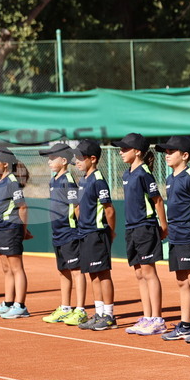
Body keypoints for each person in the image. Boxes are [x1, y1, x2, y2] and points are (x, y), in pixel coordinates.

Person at [156, 136, 190, 343]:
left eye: (171, 152)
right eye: (166, 152)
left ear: (185, 155)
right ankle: (185, 324)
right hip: (176, 235)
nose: (167, 155)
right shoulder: (170, 178)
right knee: (181, 281)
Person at [112, 133, 169, 336]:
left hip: (145, 227)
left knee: (148, 272)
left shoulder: (144, 173)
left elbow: (158, 201)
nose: (121, 152)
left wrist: (164, 226)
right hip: (131, 228)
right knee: (138, 273)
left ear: (137, 152)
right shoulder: (127, 174)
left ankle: (157, 319)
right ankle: (147, 317)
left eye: (125, 149)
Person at [38, 143, 88, 326]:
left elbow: (77, 207)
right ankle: (65, 308)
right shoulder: (53, 180)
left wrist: (79, 230)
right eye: (49, 158)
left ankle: (80, 310)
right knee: (63, 271)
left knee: (76, 271)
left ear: (64, 160)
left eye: (53, 158)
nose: (49, 161)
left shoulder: (68, 180)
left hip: (70, 233)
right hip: (57, 233)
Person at [73, 139, 118, 331]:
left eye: (81, 158)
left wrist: (110, 231)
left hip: (97, 233)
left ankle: (108, 315)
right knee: (93, 274)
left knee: (103, 273)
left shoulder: (98, 180)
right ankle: (99, 312)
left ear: (93, 159)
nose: (77, 161)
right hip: (85, 232)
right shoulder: (83, 179)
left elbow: (109, 210)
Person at [0, 147, 32, 319]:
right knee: (6, 268)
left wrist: (23, 230)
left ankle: (21, 305)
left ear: (5, 164)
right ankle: (9, 303)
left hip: (11, 228)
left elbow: (23, 207)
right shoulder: (0, 181)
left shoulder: (12, 182)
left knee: (16, 268)